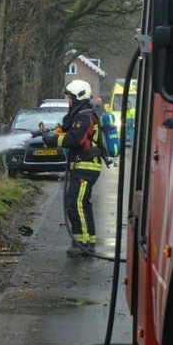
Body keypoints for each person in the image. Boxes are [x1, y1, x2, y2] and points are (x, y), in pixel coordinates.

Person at [41, 79, 103, 257]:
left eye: (69, 98)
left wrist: (54, 140)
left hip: (86, 166)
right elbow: (66, 129)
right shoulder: (80, 113)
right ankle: (85, 241)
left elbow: (74, 139)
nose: (68, 101)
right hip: (82, 165)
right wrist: (50, 133)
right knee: (81, 203)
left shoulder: (85, 116)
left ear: (78, 97)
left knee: (75, 202)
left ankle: (83, 244)